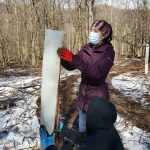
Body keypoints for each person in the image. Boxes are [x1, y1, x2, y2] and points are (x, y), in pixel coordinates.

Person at [57, 20, 115, 133]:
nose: (92, 33)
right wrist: (64, 59)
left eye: (95, 31)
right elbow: (72, 66)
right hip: (83, 98)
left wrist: (74, 59)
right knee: (82, 131)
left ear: (104, 35)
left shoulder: (108, 52)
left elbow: (98, 74)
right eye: (91, 29)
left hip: (97, 101)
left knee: (95, 135)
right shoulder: (86, 48)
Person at [40, 96, 124, 150]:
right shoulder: (107, 129)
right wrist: (64, 130)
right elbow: (84, 138)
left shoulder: (93, 146)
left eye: (90, 112)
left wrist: (49, 147)